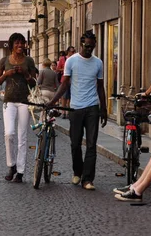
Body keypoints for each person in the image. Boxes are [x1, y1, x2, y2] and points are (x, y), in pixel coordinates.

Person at [47, 32, 106, 191]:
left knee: (92, 144)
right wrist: (53, 102)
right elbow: (64, 84)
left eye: (92, 46)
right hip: (75, 108)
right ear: (81, 44)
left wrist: (104, 109)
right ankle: (77, 172)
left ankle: (88, 179)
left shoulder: (98, 63)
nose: (89, 49)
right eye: (86, 46)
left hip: (92, 107)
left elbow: (101, 87)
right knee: (75, 144)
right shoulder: (71, 61)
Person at [0, 33, 37, 183]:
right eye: (17, 43)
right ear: (12, 45)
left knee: (22, 137)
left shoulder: (29, 61)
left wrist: (25, 74)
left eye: (22, 43)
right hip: (9, 101)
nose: (20, 46)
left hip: (24, 101)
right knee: (9, 134)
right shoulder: (4, 61)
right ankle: (11, 165)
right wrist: (6, 74)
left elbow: (34, 83)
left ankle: (20, 171)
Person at [59, 46, 76, 118]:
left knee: (71, 97)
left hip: (73, 80)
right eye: (72, 51)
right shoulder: (63, 59)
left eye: (74, 51)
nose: (73, 53)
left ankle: (68, 111)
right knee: (64, 97)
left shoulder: (75, 59)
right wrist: (65, 69)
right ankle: (63, 111)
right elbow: (58, 68)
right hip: (65, 80)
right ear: (68, 52)